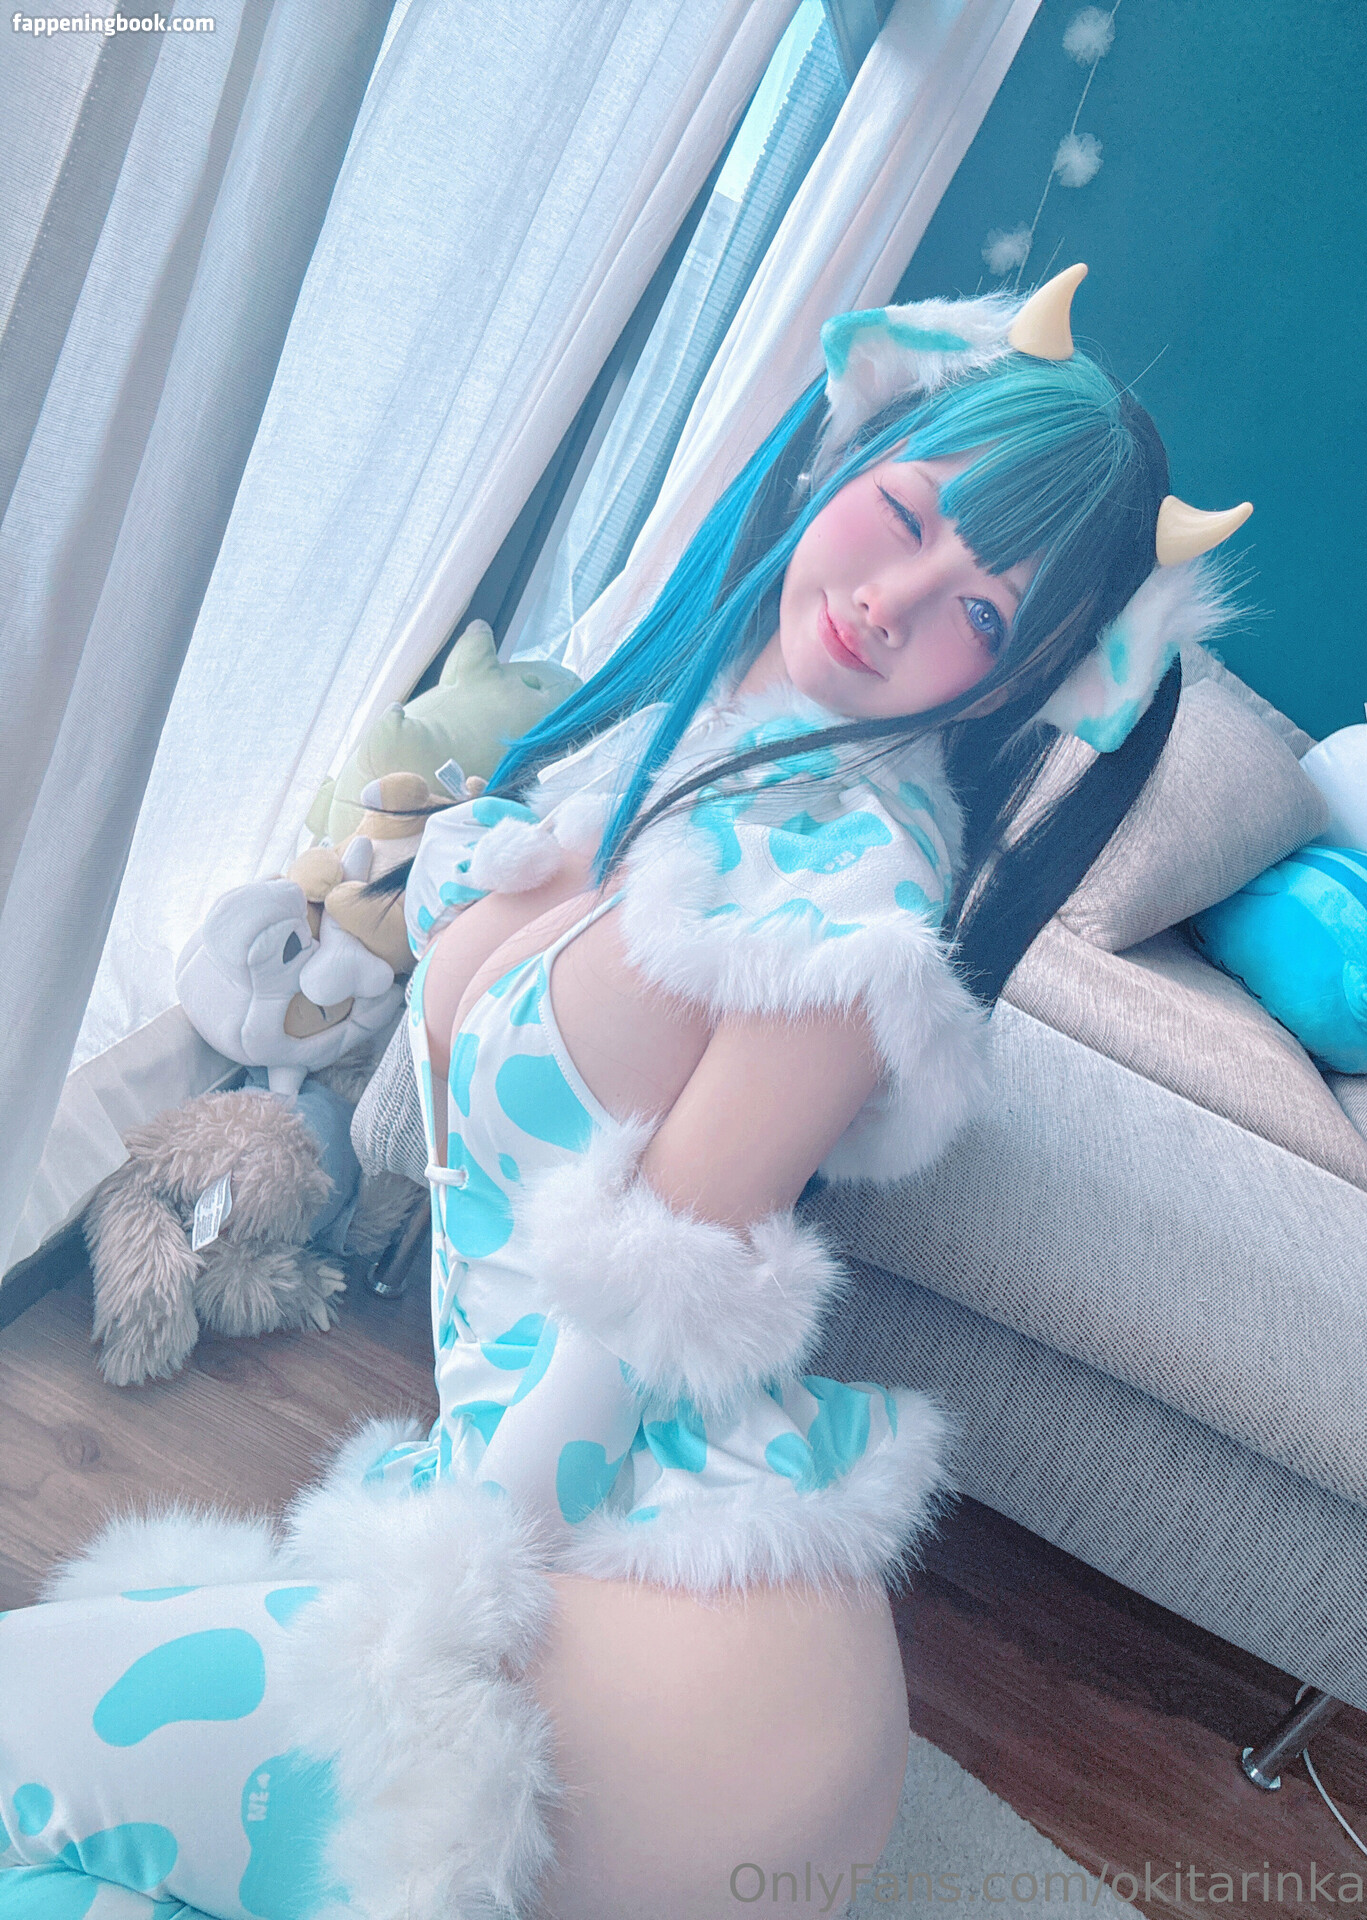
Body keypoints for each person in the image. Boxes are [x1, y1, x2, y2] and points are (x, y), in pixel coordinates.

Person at [0, 266, 1249, 1920]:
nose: (899, 598)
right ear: (850, 455)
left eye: (985, 615)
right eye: (910, 517)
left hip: (686, 1685)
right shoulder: (690, 746)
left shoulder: (847, 930)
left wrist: (417, 1614)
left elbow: (625, 1348)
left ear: (1026, 683)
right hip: (557, 1530)